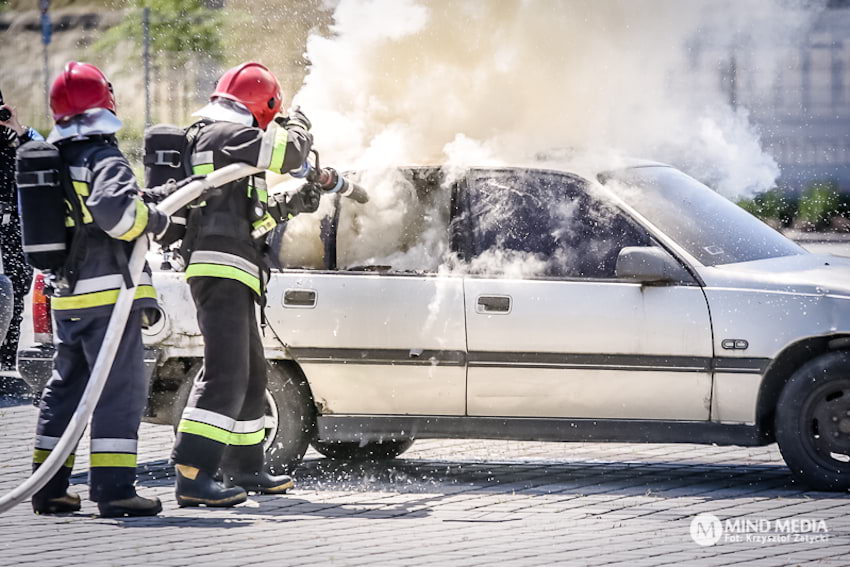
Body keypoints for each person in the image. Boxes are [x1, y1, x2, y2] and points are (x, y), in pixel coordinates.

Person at [171, 61, 316, 507]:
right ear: (263, 107)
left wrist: (288, 204)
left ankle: (246, 467)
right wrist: (299, 120)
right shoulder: (224, 134)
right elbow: (291, 154)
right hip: (220, 270)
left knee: (252, 374)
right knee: (226, 374)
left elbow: (242, 216)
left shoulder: (223, 143)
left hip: (232, 267)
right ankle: (193, 473)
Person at [30, 62, 169, 517]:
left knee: (65, 389)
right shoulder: (102, 157)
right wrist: (155, 219)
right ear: (104, 102)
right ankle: (114, 491)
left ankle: (48, 487)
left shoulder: (54, 159)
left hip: (68, 298)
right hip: (110, 296)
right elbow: (116, 215)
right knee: (118, 391)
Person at [0, 91, 41, 375]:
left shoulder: (20, 137)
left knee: (16, 288)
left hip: (14, 221)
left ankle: (6, 360)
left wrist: (19, 130)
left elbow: (44, 152)